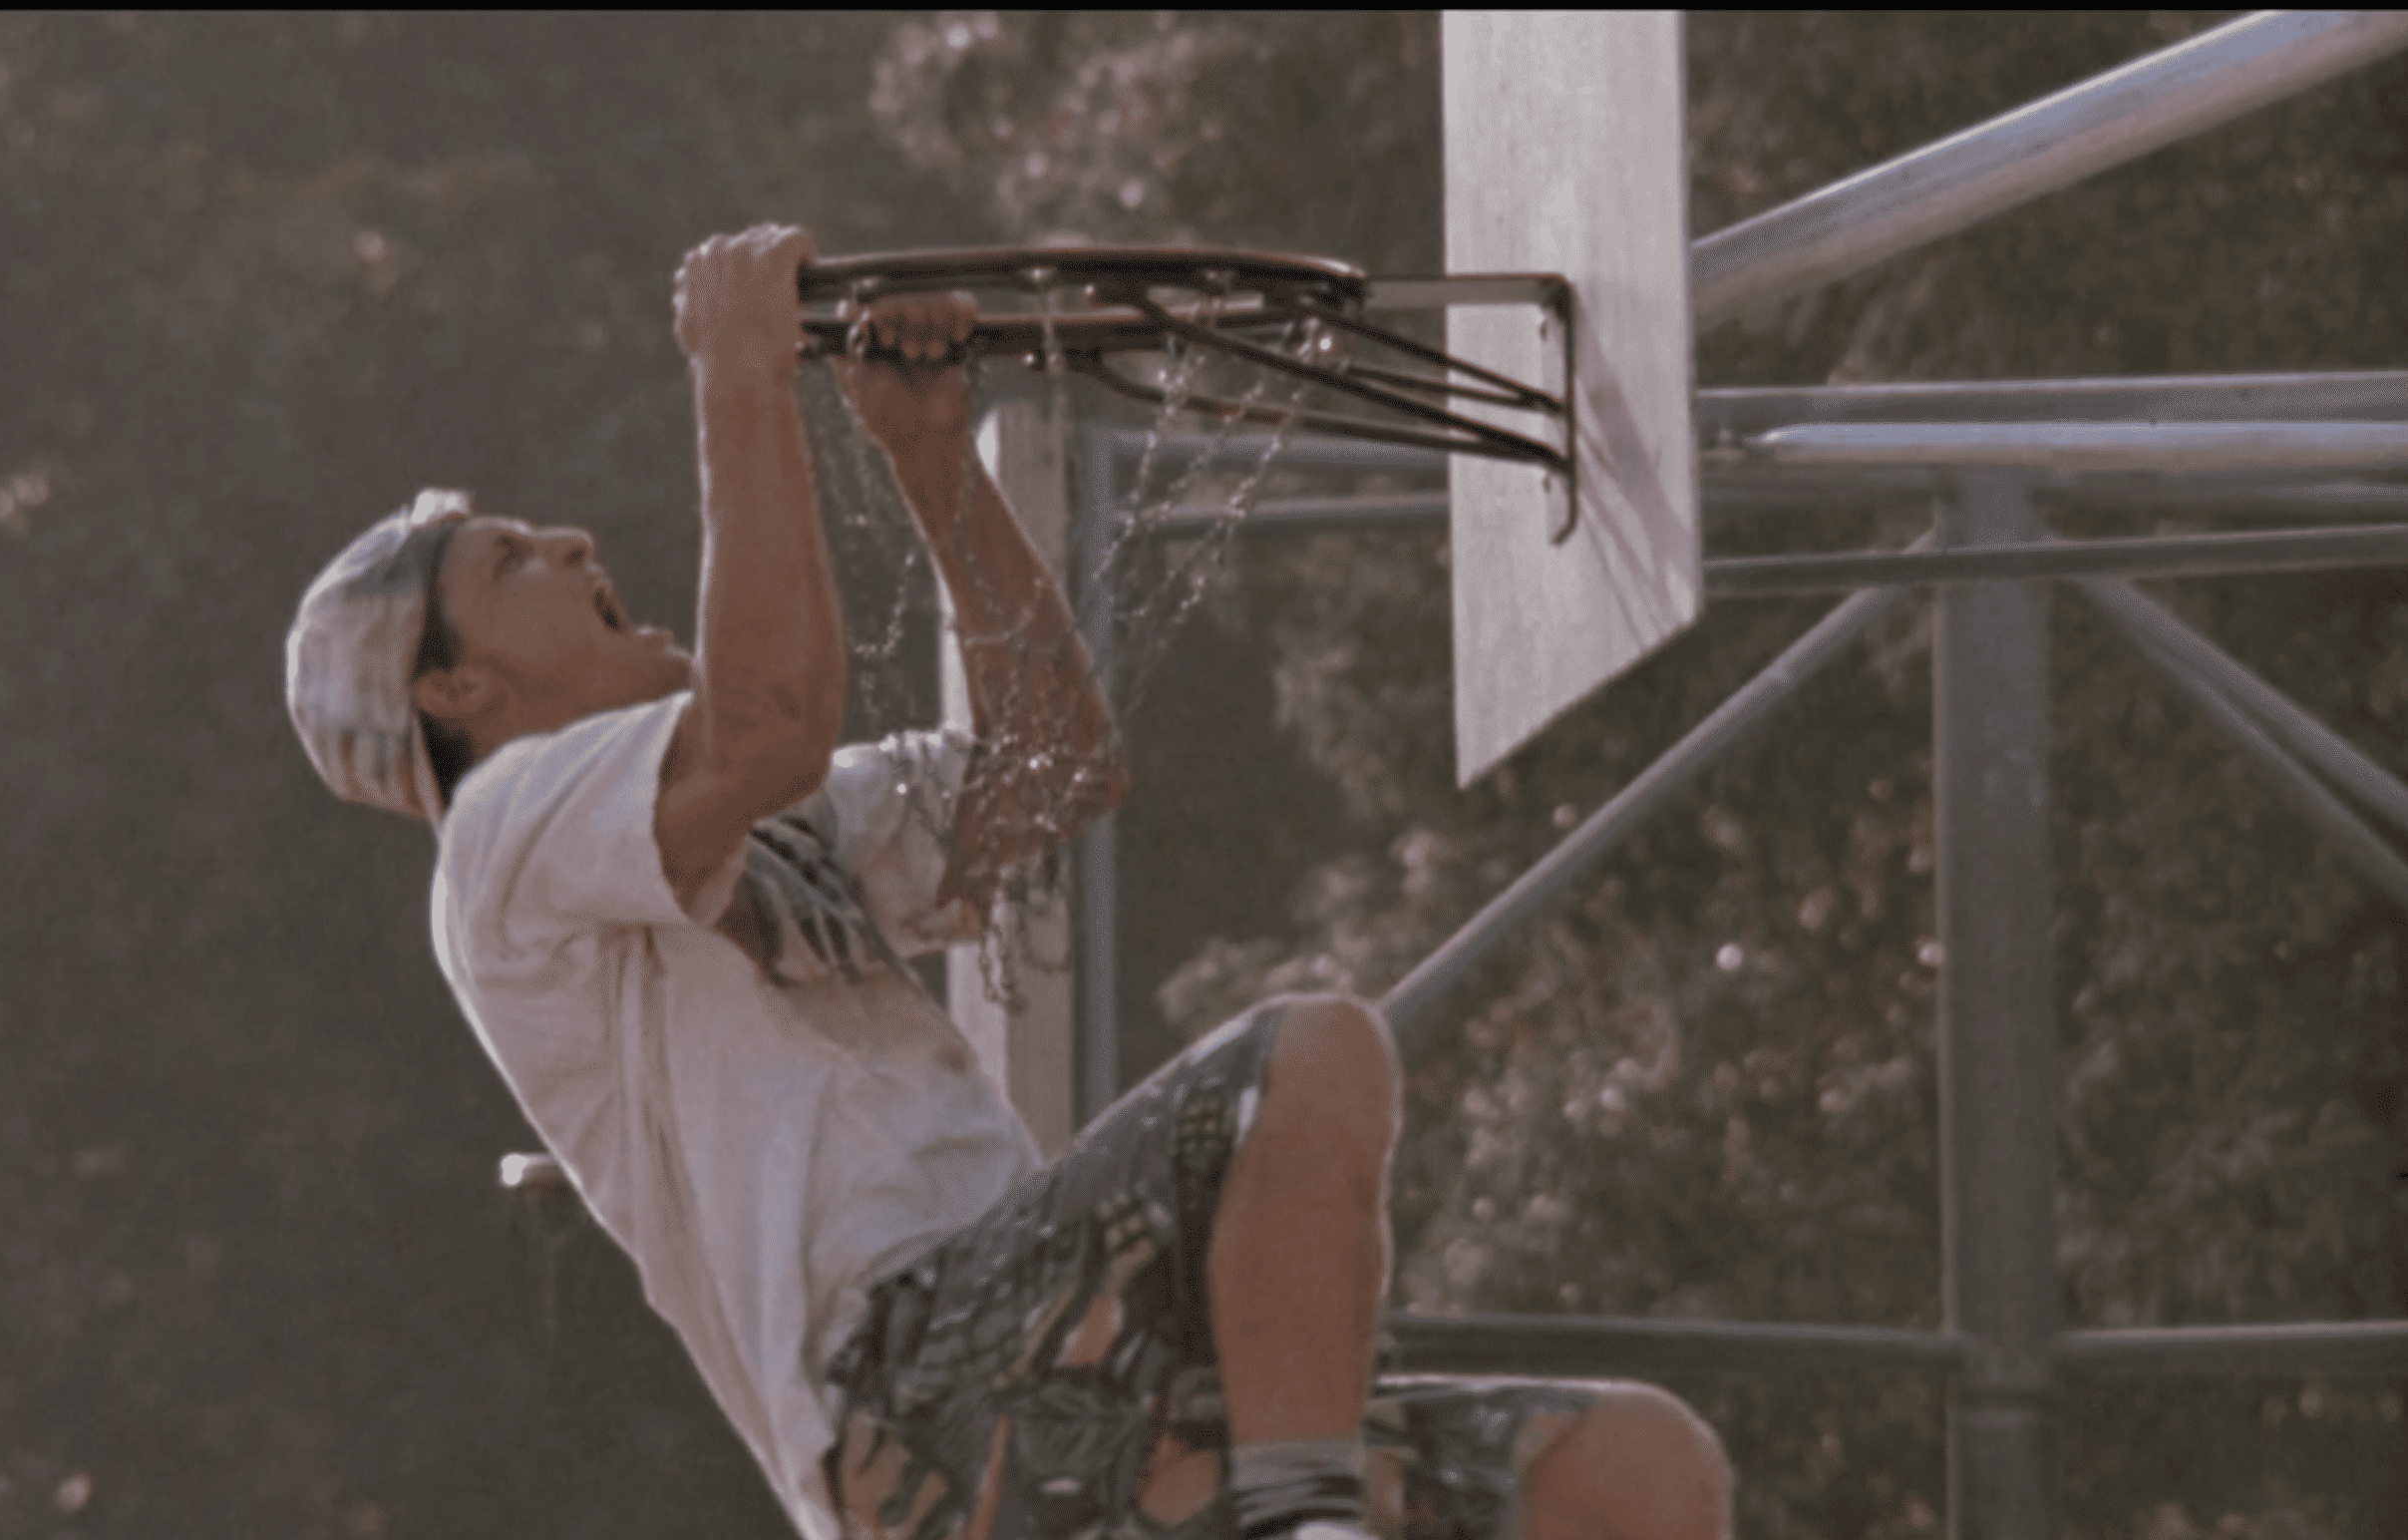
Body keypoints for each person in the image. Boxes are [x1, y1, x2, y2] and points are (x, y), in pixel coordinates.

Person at [285, 223, 1730, 1540]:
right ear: (459, 684)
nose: (575, 542)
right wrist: (739, 375)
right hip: (913, 1402)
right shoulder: (501, 843)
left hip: (1051, 1366)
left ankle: (1293, 1519)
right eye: (512, 559)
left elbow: (1050, 771)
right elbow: (772, 718)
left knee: (1632, 1472)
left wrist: (934, 465)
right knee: (1305, 1057)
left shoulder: (754, 822)